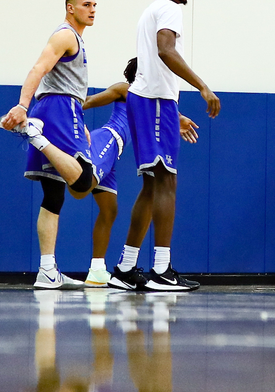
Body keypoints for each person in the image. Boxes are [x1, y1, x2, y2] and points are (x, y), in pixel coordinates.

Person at [108, 0, 221, 292]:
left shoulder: (150, 11)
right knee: (167, 184)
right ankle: (161, 270)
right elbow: (166, 50)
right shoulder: (169, 9)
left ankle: (126, 267)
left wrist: (175, 112)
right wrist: (202, 85)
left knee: (152, 186)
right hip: (156, 102)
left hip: (151, 101)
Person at [0, 0, 101, 289]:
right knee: (84, 181)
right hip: (58, 108)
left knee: (53, 197)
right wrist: (21, 105)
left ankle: (47, 270)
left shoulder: (75, 37)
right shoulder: (65, 35)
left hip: (59, 110)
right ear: (70, 8)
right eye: (86, 4)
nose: (92, 9)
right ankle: (35, 135)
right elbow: (39, 68)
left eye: (95, 4)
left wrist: (79, 122)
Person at [80, 58, 199, 287]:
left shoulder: (148, 99)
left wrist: (179, 117)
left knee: (111, 209)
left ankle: (106, 269)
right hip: (107, 139)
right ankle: (50, 146)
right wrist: (68, 110)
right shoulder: (127, 89)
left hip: (116, 153)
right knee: (82, 184)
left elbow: (162, 109)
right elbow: (90, 101)